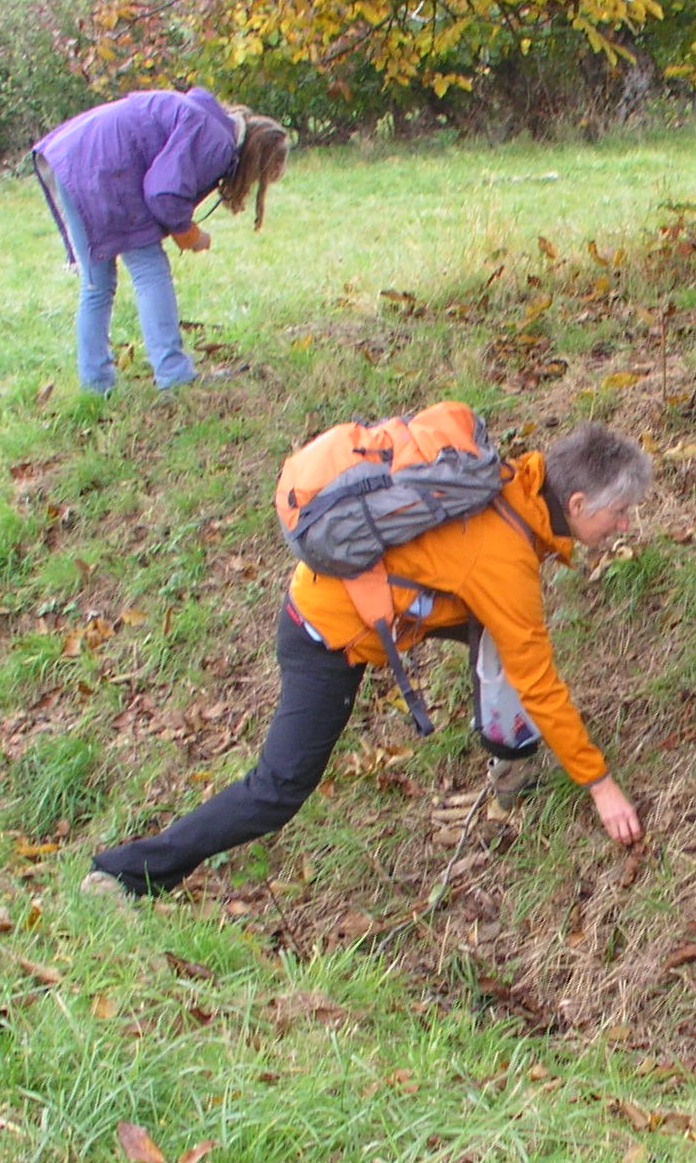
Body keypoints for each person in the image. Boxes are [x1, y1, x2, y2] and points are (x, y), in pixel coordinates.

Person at [85, 420, 652, 899]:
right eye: (620, 512)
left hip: (356, 602)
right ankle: (128, 874)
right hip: (323, 634)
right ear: (576, 504)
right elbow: (538, 681)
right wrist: (600, 785)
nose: (625, 526)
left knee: (503, 637)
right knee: (278, 788)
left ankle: (513, 764)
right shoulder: (502, 556)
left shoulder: (508, 487)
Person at [33, 88, 290, 396]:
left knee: (95, 285)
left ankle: (96, 386)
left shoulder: (207, 119)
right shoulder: (216, 141)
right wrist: (190, 235)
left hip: (71, 158)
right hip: (105, 170)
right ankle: (173, 374)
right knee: (150, 271)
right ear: (255, 157)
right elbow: (163, 194)